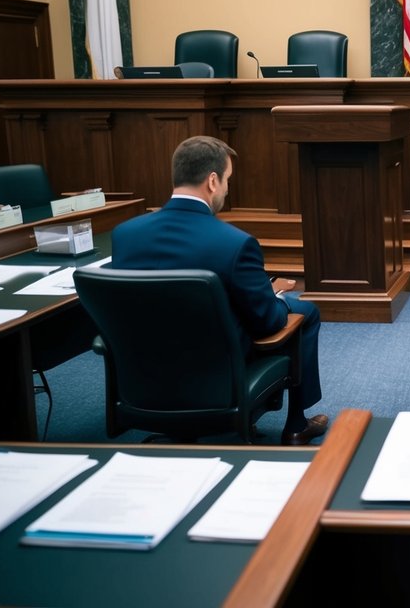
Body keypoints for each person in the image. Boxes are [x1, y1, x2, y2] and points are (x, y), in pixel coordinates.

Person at [110, 135, 328, 445]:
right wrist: (275, 299)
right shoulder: (235, 244)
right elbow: (268, 322)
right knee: (302, 312)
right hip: (217, 376)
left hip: (144, 377)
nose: (227, 188)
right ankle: (295, 424)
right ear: (212, 181)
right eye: (227, 180)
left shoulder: (125, 235)